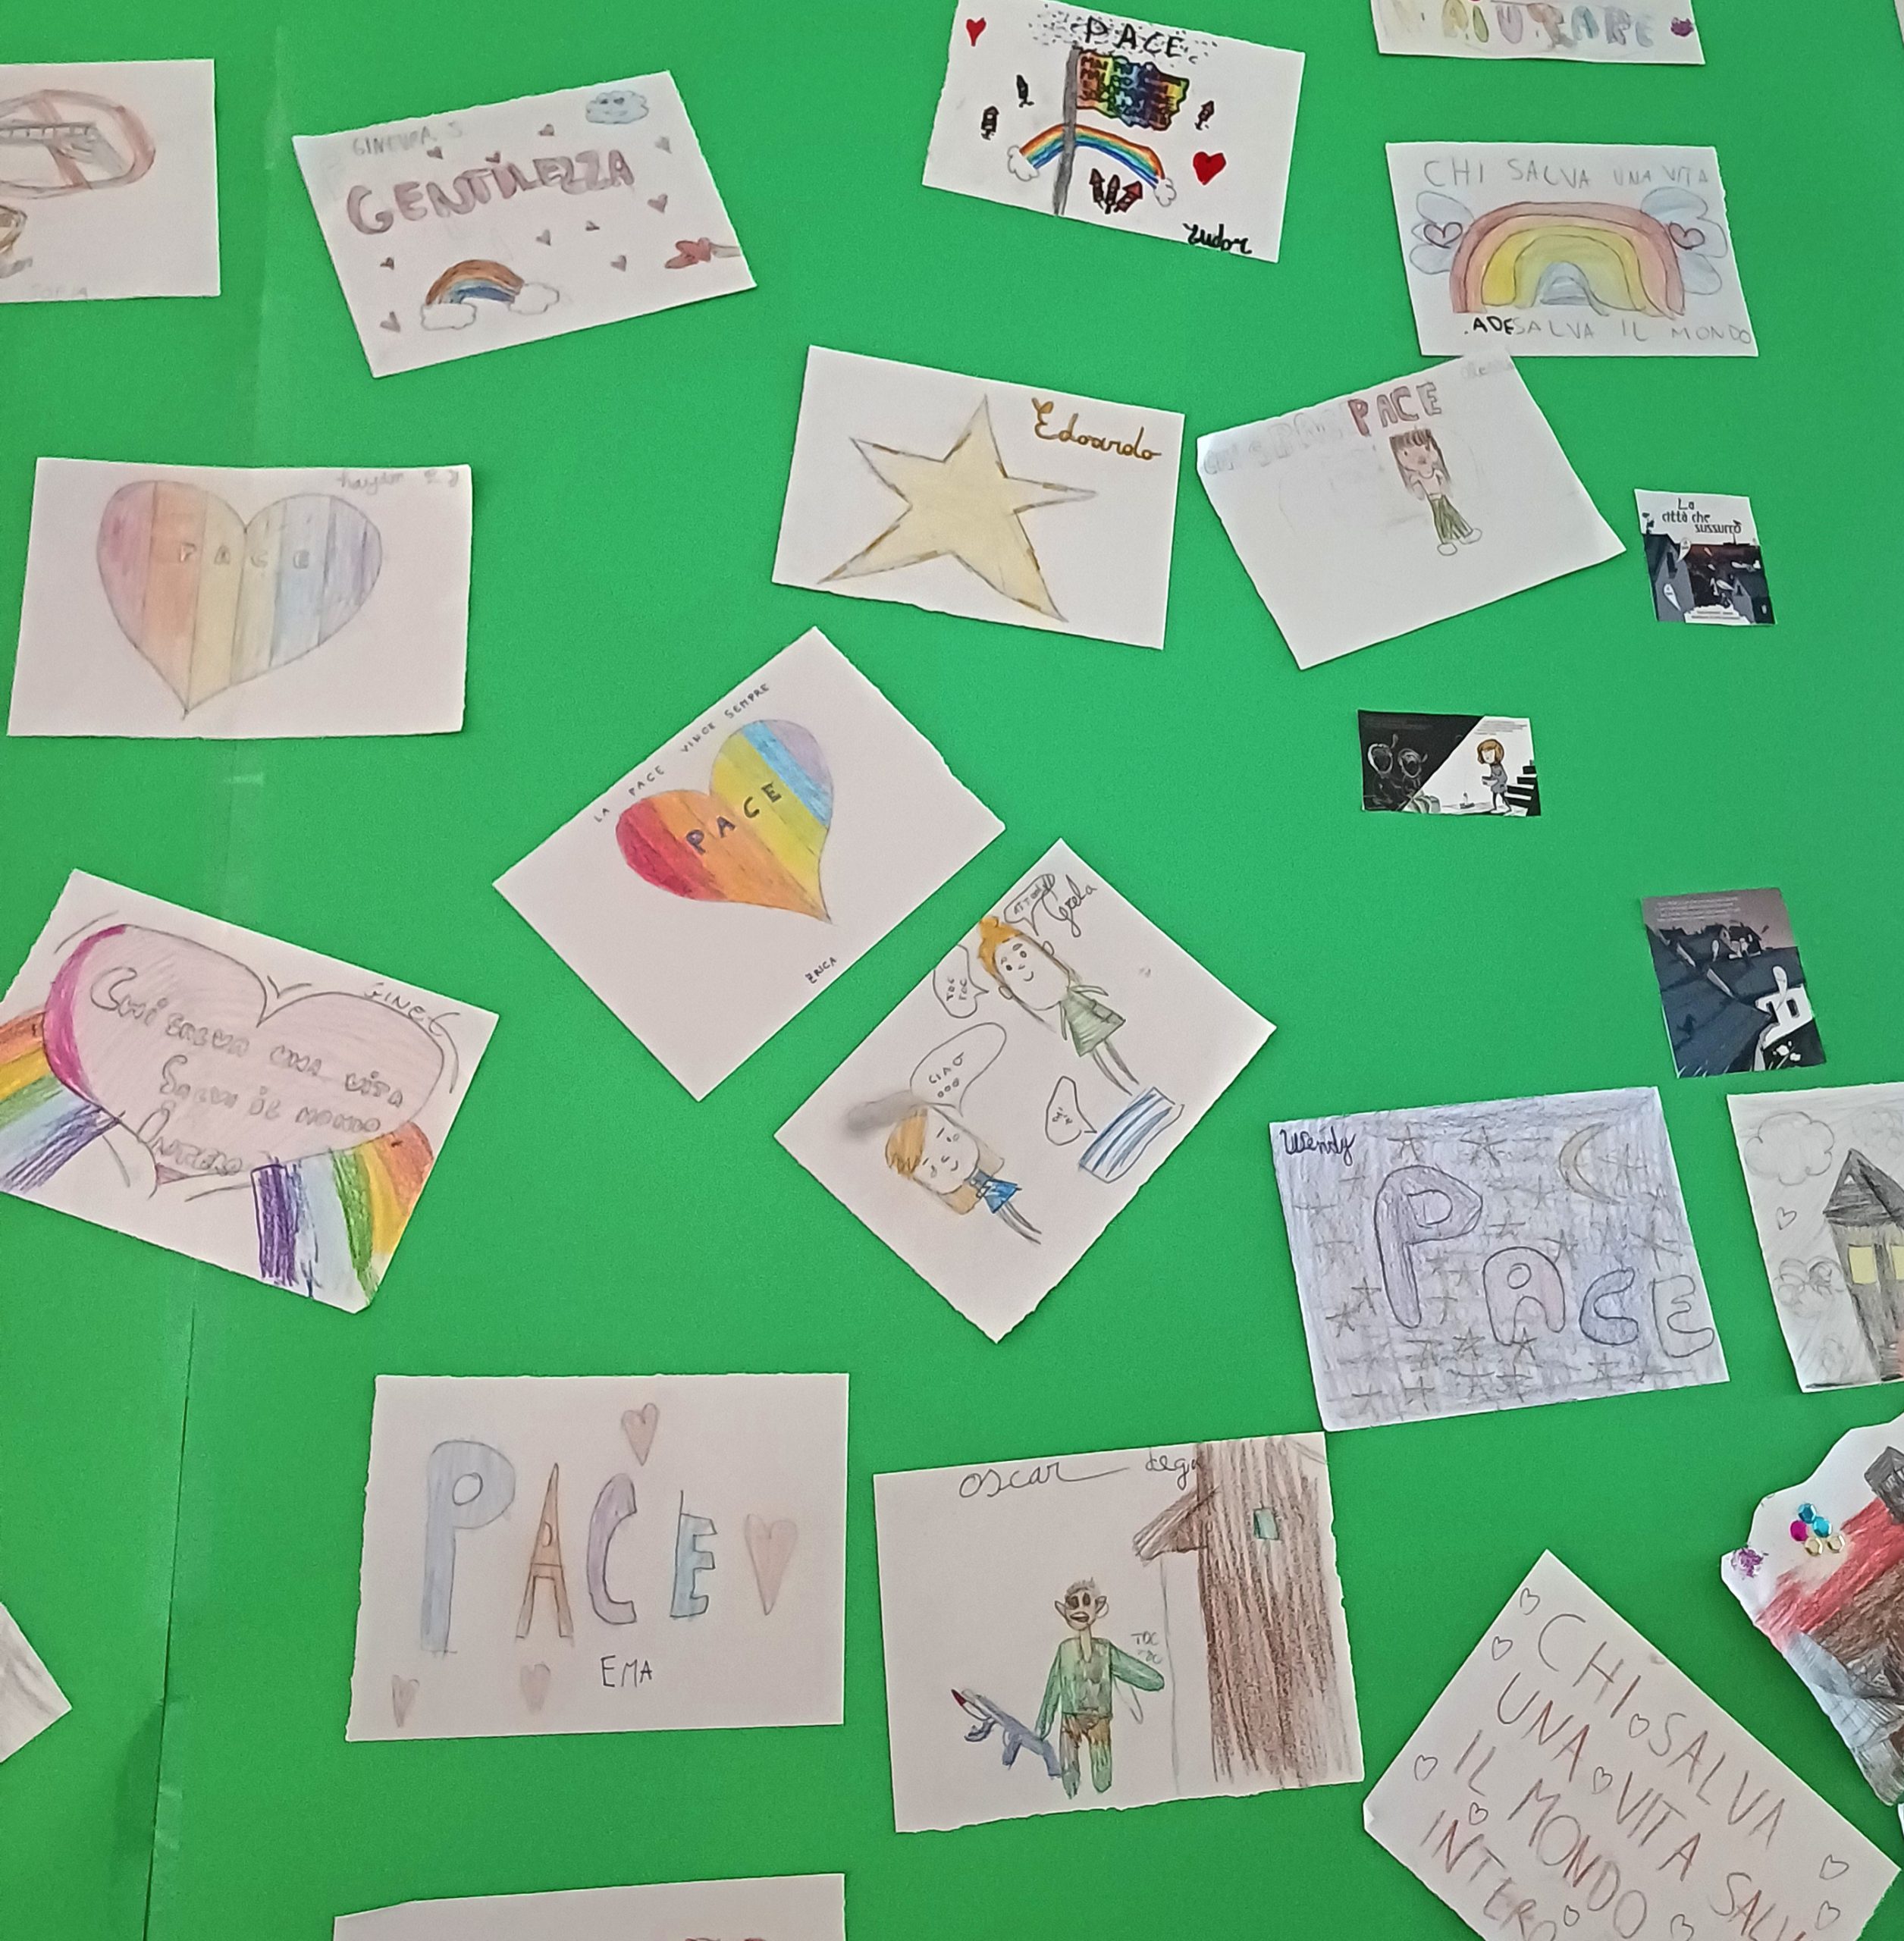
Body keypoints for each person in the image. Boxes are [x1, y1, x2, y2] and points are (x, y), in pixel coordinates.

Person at [975, 917, 1140, 1094]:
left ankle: (1133, 1084)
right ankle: (1127, 1088)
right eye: (1009, 967)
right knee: (1100, 1056)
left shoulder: (1077, 996)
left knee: (1112, 1049)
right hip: (1081, 1025)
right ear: (1007, 992)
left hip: (1092, 1014)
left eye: (1023, 954)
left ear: (1046, 951)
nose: (1022, 965)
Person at [1035, 1580, 1164, 1798]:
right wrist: (1043, 1724)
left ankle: (1102, 1797)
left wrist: (1154, 1680)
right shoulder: (1065, 1649)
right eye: (1073, 1604)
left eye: (1087, 1602)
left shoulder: (1105, 1650)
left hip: (1100, 1719)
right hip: (1070, 1719)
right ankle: (1073, 1799)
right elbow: (1054, 1686)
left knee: (1102, 1776)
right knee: (1069, 1774)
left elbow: (1133, 1670)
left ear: (1099, 1606)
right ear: (1064, 1611)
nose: (1080, 1609)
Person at [883, 1103, 1040, 1243]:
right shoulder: (966, 1229)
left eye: (951, 1138)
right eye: (933, 1170)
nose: (950, 1162)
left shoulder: (1015, 1158)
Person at [1391, 427, 1479, 556]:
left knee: (1452, 514)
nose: (1420, 456)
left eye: (1426, 447)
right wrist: (1417, 487)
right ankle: (1447, 540)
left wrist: (1446, 489)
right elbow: (1419, 493)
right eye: (1406, 453)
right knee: (1440, 519)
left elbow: (1444, 483)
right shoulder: (1417, 477)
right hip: (1434, 500)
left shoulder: (1436, 472)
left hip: (1442, 497)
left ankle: (1464, 533)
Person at [1476, 736, 1509, 813]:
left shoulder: (1497, 767)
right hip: (1495, 787)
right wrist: (1489, 779)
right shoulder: (1492, 766)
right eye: (1484, 754)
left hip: (1500, 786)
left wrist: (1496, 781)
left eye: (1490, 753)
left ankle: (1508, 807)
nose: (1487, 756)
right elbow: (1494, 776)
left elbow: (1504, 777)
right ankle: (1495, 807)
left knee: (1503, 797)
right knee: (1494, 797)